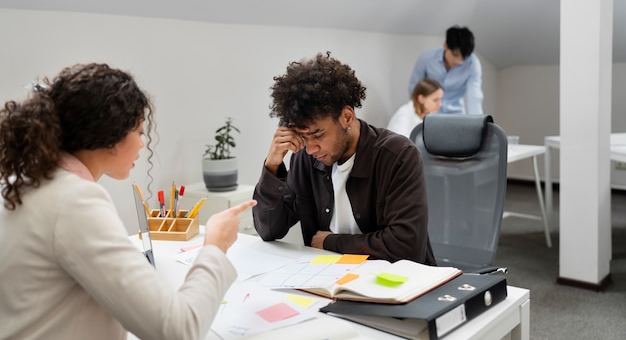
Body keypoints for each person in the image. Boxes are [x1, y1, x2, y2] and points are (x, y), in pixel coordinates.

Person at [0, 63, 256, 340]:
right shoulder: (75, 201)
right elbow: (179, 329)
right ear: (110, 134)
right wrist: (215, 248)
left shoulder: (22, 181)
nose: (143, 144)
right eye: (139, 132)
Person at [252, 52, 436, 265]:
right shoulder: (304, 158)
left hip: (397, 285)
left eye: (318, 135)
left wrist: (332, 242)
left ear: (347, 117)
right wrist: (272, 166)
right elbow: (268, 230)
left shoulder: (398, 155)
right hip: (330, 279)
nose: (310, 148)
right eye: (303, 137)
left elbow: (406, 246)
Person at [407, 25, 483, 114]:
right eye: (455, 55)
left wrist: (477, 123)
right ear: (445, 46)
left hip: (456, 112)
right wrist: (419, 114)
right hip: (429, 112)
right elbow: (414, 89)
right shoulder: (426, 59)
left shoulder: (472, 64)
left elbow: (474, 96)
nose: (458, 61)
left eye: (463, 58)